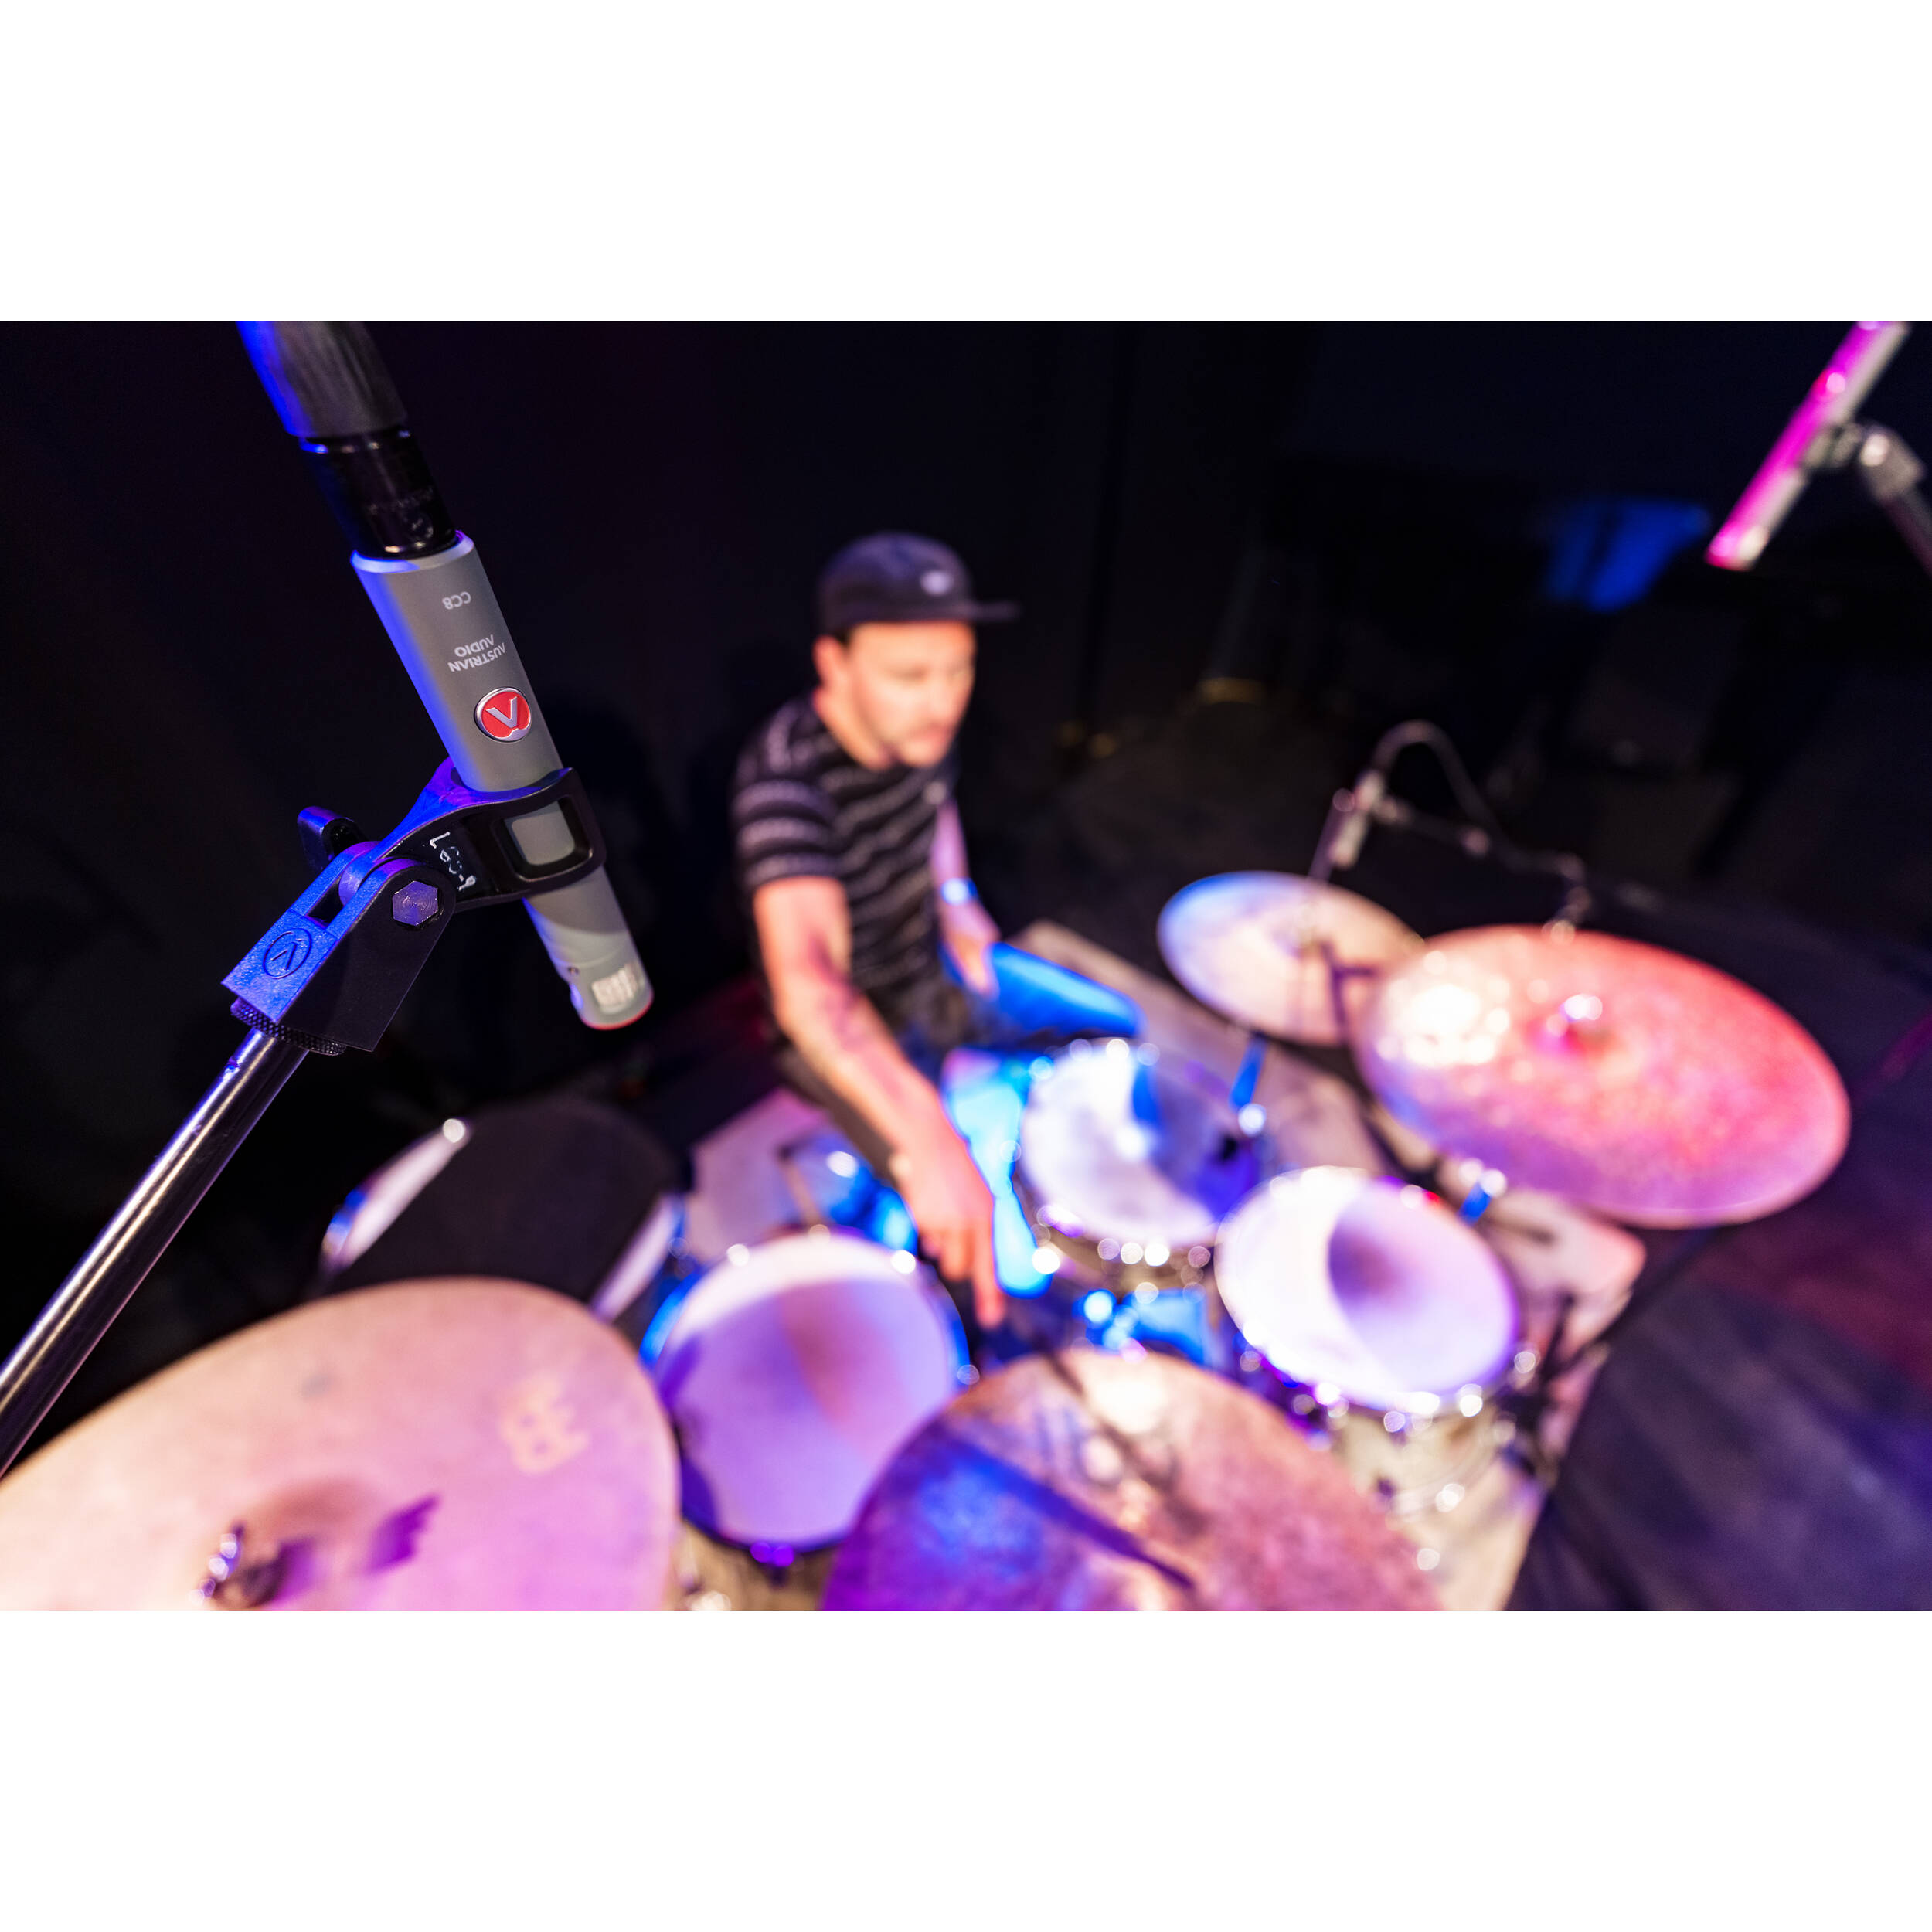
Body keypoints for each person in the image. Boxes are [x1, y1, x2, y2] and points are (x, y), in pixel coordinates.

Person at [730, 532, 1021, 1333]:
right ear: (835, 664)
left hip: (931, 969)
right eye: (911, 676)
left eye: (958, 670)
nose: (943, 702)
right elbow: (809, 984)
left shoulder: (918, 730)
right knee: (955, 1222)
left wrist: (956, 897)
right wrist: (926, 1131)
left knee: (1109, 1027)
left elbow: (936, 806)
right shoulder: (784, 784)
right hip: (855, 1025)